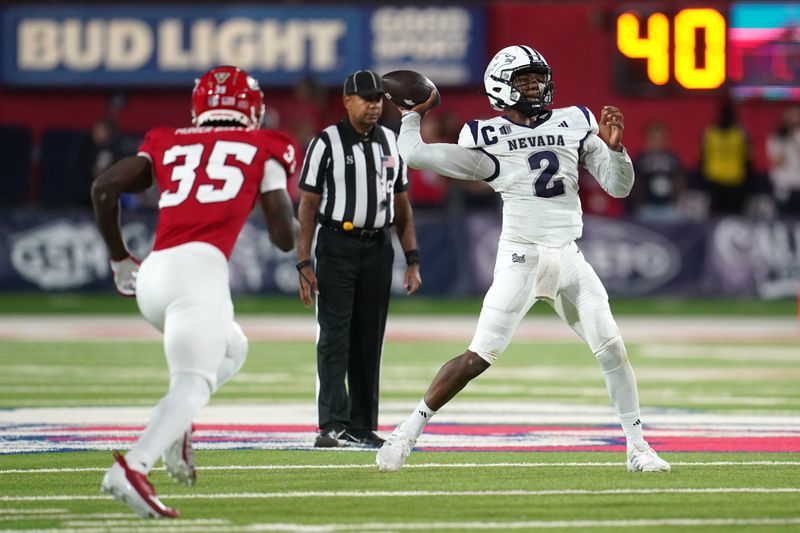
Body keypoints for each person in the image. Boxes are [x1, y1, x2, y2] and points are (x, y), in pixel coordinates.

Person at [375, 45, 670, 473]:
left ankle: (638, 447)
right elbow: (416, 154)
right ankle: (407, 433)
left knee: (612, 349)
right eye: (524, 81)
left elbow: (619, 187)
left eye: (537, 78)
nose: (535, 86)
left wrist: (617, 150)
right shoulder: (487, 136)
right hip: (521, 258)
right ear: (501, 88)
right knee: (478, 356)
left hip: (569, 256)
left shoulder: (574, 123)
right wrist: (411, 115)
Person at [92, 65, 297, 517]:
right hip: (198, 272)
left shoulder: (167, 139)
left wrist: (120, 258)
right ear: (254, 110)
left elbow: (104, 188)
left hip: (154, 272)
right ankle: (133, 467)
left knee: (234, 346)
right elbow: (284, 236)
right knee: (192, 384)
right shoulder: (265, 146)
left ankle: (176, 427)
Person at [296, 70, 421, 449]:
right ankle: (331, 424)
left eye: (379, 99)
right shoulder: (325, 143)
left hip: (378, 248)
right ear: (347, 101)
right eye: (366, 98)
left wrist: (412, 257)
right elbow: (308, 205)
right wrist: (304, 262)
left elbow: (402, 205)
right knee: (335, 336)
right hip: (336, 245)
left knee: (370, 339)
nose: (374, 105)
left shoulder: (391, 141)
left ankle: (362, 424)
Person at [698, 98, 752, 216]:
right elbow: (749, 158)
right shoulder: (740, 133)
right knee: (733, 216)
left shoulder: (711, 132)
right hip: (733, 178)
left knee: (717, 216)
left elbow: (701, 157)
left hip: (717, 178)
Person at [631, 120, 685, 221]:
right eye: (654, 139)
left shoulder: (672, 158)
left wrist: (677, 199)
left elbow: (679, 180)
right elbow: (635, 181)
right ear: (648, 139)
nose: (657, 143)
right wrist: (638, 201)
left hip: (669, 206)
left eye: (661, 139)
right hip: (647, 206)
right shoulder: (641, 159)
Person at [766, 104, 800, 215]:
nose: (794, 118)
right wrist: (786, 143)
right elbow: (776, 162)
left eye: (796, 115)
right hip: (784, 187)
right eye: (790, 115)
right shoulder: (777, 138)